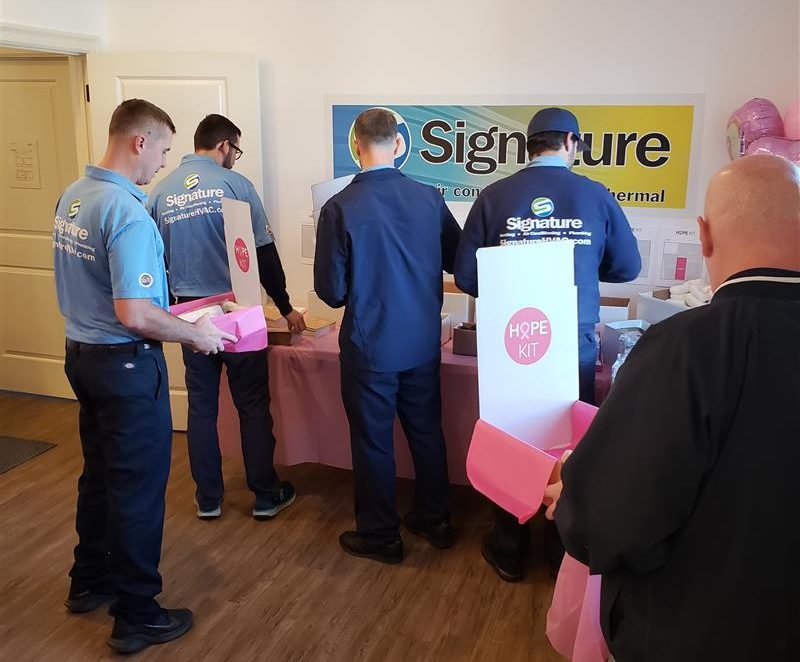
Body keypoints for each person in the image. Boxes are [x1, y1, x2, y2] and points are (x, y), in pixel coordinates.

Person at [547, 154, 800, 661]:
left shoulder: (683, 347)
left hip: (693, 631)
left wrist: (574, 495)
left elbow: (613, 523)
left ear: (703, 237)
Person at [54, 99, 236, 654]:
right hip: (127, 366)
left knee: (100, 475)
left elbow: (116, 299)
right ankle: (136, 614)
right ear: (139, 142)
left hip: (84, 357)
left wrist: (191, 311)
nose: (163, 163)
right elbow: (134, 313)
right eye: (161, 150)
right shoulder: (127, 211)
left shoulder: (75, 196)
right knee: (136, 490)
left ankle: (89, 581)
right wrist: (197, 334)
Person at [453, 107, 641, 581]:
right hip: (568, 345)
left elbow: (467, 276)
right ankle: (562, 550)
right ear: (572, 143)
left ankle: (508, 548)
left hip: (510, 343)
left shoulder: (495, 197)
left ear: (528, 146)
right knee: (569, 447)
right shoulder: (595, 196)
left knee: (509, 444)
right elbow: (627, 267)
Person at [314, 108, 463, 564]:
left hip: (370, 345)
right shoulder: (428, 198)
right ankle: (435, 518)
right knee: (425, 431)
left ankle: (381, 535)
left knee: (373, 441)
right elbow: (457, 260)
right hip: (421, 343)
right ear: (399, 145)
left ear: (355, 146)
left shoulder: (339, 207)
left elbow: (332, 292)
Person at [147, 114, 304, 521]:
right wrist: (285, 307)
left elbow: (150, 260)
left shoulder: (160, 193)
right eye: (235, 149)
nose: (235, 156)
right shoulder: (236, 186)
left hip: (188, 313)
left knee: (201, 407)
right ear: (222, 146)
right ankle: (266, 495)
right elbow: (264, 253)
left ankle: (208, 499)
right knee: (252, 404)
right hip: (240, 312)